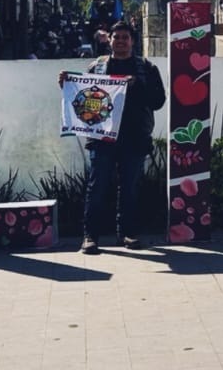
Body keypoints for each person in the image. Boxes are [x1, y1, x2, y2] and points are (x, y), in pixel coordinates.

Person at [59, 19, 166, 253]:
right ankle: (90, 237)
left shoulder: (146, 68)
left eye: (125, 38)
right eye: (116, 37)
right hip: (101, 138)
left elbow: (159, 101)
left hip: (135, 138)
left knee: (129, 188)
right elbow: (83, 96)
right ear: (110, 40)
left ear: (133, 41)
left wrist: (137, 85)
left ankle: (127, 234)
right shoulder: (96, 67)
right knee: (97, 187)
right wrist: (67, 85)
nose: (120, 42)